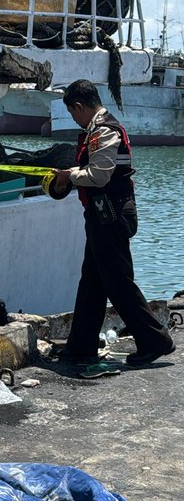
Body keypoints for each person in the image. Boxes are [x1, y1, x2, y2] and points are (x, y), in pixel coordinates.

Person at [52, 79, 175, 379]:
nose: (73, 119)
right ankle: (81, 345)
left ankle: (155, 340)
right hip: (101, 215)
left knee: (117, 281)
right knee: (92, 282)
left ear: (80, 107)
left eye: (72, 113)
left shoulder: (105, 130)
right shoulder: (96, 130)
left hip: (111, 216)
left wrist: (69, 175)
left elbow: (99, 176)